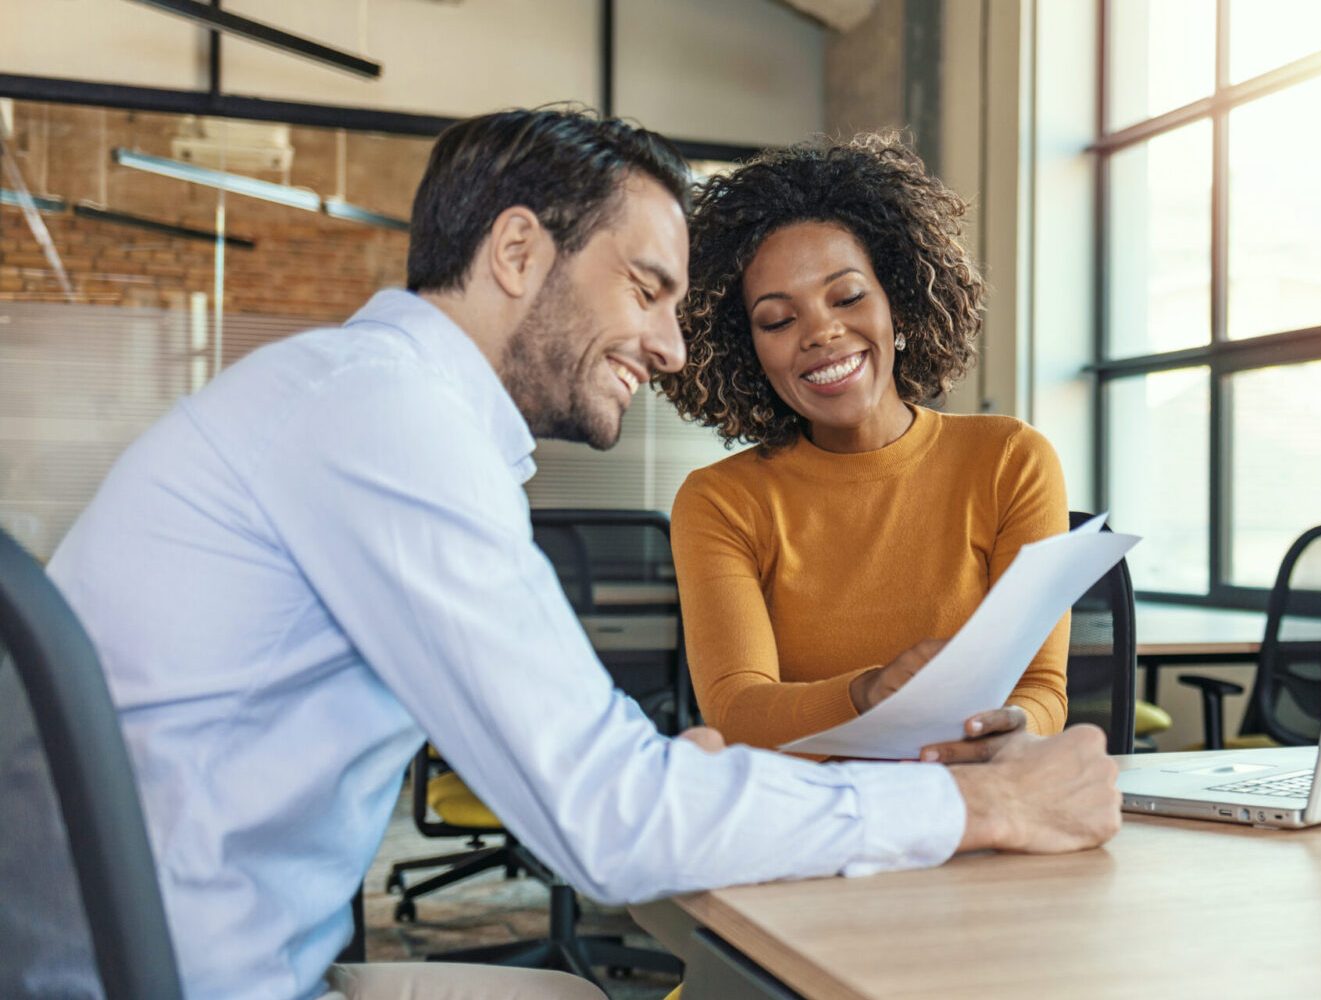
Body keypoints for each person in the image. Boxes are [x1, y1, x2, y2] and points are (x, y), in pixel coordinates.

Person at [44, 108, 1120, 1000]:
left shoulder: (367, 404)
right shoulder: (385, 421)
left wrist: (679, 780)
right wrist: (984, 806)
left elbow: (601, 779)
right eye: (648, 288)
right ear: (518, 252)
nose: (670, 345)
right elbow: (605, 822)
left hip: (196, 959)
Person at [662, 134, 1069, 763]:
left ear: (899, 306)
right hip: (808, 818)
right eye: (777, 320)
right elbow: (737, 710)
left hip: (974, 800)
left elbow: (1041, 689)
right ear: (748, 350)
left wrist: (1014, 729)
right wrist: (866, 694)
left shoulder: (1010, 460)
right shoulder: (720, 501)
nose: (821, 332)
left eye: (847, 297)